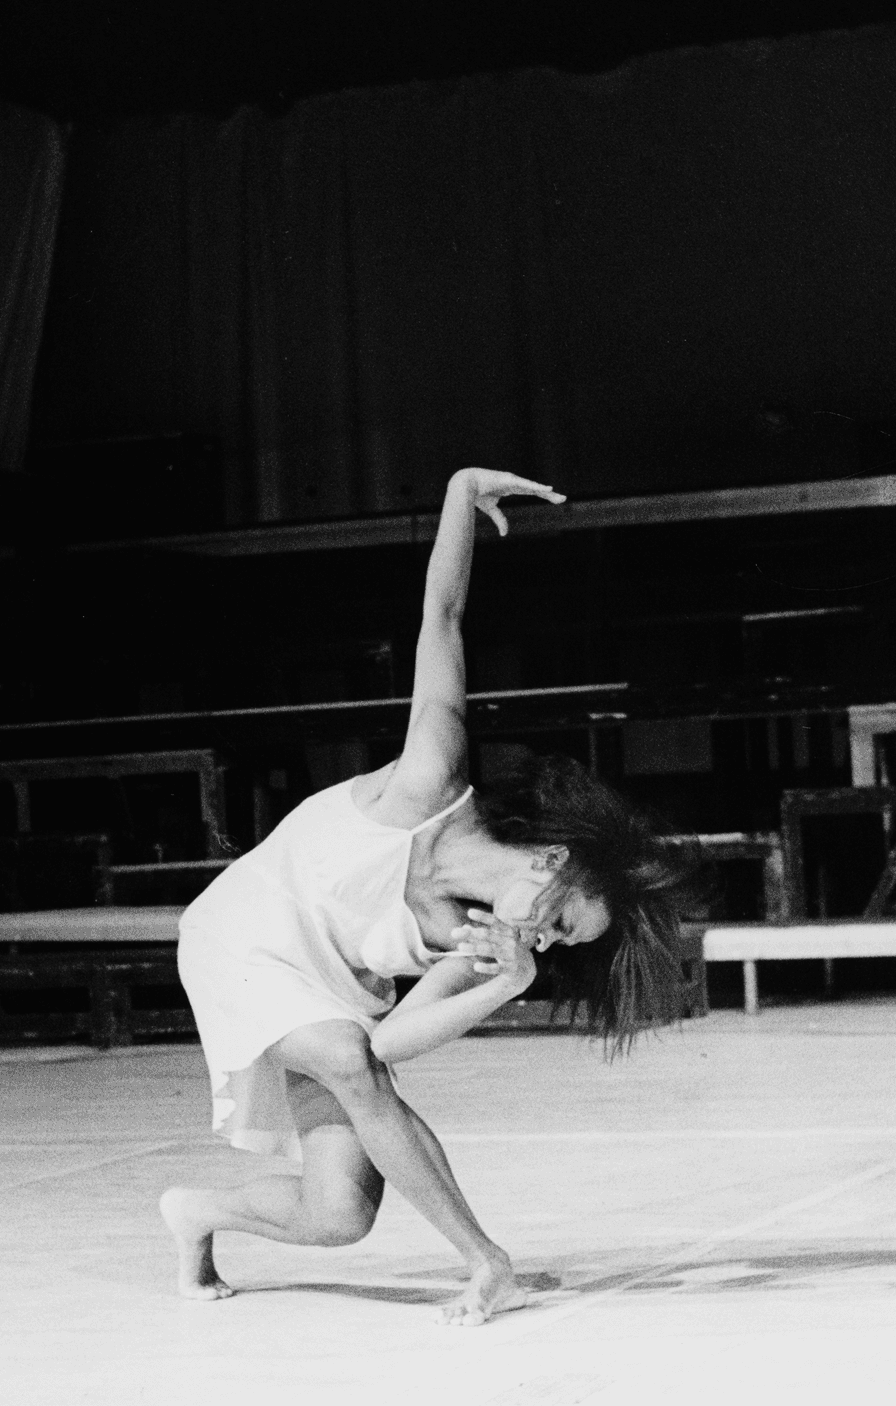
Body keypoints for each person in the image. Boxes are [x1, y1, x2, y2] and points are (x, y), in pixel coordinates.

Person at [161, 467, 702, 1325]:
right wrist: (460, 494)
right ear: (553, 857)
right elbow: (441, 618)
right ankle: (486, 1262)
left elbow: (391, 1039)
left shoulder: (478, 939)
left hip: (326, 990)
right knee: (346, 1061)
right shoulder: (431, 782)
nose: (546, 940)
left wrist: (506, 983)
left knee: (339, 1213)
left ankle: (196, 1212)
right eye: (562, 919)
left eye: (561, 945)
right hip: (239, 941)